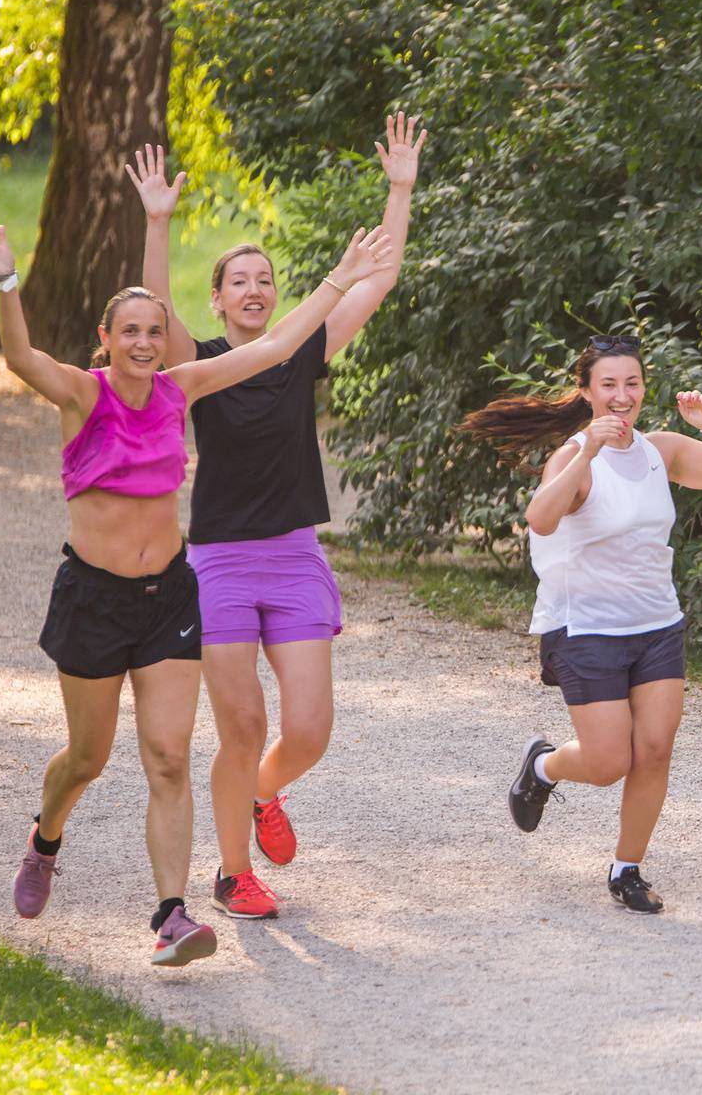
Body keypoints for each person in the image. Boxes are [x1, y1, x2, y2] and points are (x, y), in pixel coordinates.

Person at [0, 217, 394, 964]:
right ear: (106, 335)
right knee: (86, 760)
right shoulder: (79, 394)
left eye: (152, 331)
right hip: (92, 598)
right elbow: (20, 357)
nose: (142, 343)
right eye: (128, 331)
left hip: (167, 600)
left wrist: (341, 274)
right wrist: (7, 283)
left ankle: (172, 915)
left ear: (166, 339)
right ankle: (45, 838)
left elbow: (277, 347)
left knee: (168, 758)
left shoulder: (179, 389)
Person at [130, 116, 423, 920]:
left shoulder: (301, 352)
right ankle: (232, 875)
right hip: (220, 563)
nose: (255, 289)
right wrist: (158, 220)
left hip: (295, 559)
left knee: (310, 727)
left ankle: (267, 793)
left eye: (265, 279)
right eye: (240, 281)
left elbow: (378, 281)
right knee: (242, 723)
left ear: (275, 295)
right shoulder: (199, 367)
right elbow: (152, 307)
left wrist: (399, 189)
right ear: (218, 299)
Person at [462, 336, 702, 913]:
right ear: (586, 391)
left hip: (656, 624)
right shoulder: (575, 456)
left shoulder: (661, 449)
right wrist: (585, 455)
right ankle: (544, 765)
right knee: (607, 763)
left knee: (654, 749)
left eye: (632, 383)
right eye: (609, 385)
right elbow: (540, 519)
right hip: (586, 627)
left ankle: (627, 869)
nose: (622, 396)